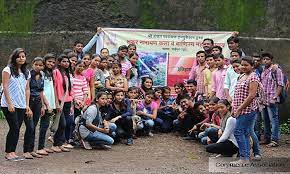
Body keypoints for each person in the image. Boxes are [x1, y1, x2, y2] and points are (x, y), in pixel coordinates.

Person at [1, 48, 32, 161]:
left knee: (17, 128)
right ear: (14, 57)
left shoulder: (26, 72)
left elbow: (27, 89)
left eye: (23, 56)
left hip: (21, 104)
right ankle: (8, 152)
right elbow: (5, 87)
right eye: (19, 56)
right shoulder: (7, 70)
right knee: (14, 127)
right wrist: (9, 104)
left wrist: (27, 105)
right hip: (8, 104)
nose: (21, 58)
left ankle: (12, 152)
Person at [232, 56, 261, 163]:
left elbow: (252, 95)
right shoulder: (242, 76)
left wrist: (240, 108)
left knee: (238, 132)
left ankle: (244, 157)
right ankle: (245, 157)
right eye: (242, 64)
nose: (243, 67)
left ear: (252, 66)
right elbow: (237, 94)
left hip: (248, 110)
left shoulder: (253, 77)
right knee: (244, 133)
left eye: (246, 65)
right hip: (239, 109)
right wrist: (234, 108)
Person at [23, 57, 45, 159]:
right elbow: (25, 89)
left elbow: (41, 91)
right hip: (28, 102)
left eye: (40, 65)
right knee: (30, 127)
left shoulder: (42, 75)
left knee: (34, 127)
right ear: (32, 64)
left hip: (38, 102)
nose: (38, 67)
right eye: (36, 64)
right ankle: (26, 150)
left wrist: (43, 105)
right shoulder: (27, 74)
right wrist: (28, 107)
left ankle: (31, 150)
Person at [261, 53, 284, 147]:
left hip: (272, 99)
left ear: (271, 60)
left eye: (267, 59)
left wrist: (275, 96)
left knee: (273, 120)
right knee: (265, 120)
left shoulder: (276, 70)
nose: (265, 61)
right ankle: (267, 138)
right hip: (264, 99)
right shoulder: (264, 70)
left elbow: (280, 84)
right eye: (264, 59)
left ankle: (275, 140)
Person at [52, 54, 73, 152]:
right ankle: (56, 143)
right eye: (64, 61)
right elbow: (55, 88)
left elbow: (69, 89)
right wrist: (56, 102)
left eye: (67, 61)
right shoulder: (56, 72)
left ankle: (60, 143)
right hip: (60, 101)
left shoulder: (67, 73)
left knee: (66, 123)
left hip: (68, 100)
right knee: (62, 123)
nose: (66, 63)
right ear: (59, 62)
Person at [37, 53, 57, 155]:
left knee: (45, 125)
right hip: (44, 103)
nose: (51, 63)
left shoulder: (51, 73)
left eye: (53, 62)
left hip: (50, 102)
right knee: (43, 126)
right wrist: (44, 104)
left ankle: (43, 146)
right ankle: (40, 147)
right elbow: (41, 90)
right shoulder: (41, 73)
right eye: (49, 61)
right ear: (45, 61)